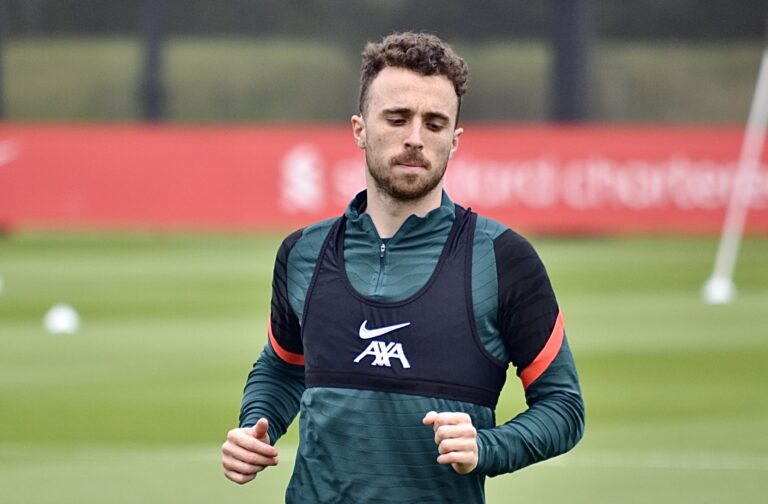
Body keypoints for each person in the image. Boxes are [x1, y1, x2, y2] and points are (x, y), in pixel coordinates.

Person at [221, 31, 585, 503]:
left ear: (454, 140)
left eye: (434, 124)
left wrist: (487, 447)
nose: (415, 138)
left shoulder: (502, 258)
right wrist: (256, 425)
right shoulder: (303, 252)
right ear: (359, 129)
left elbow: (563, 406)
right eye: (397, 118)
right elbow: (283, 366)